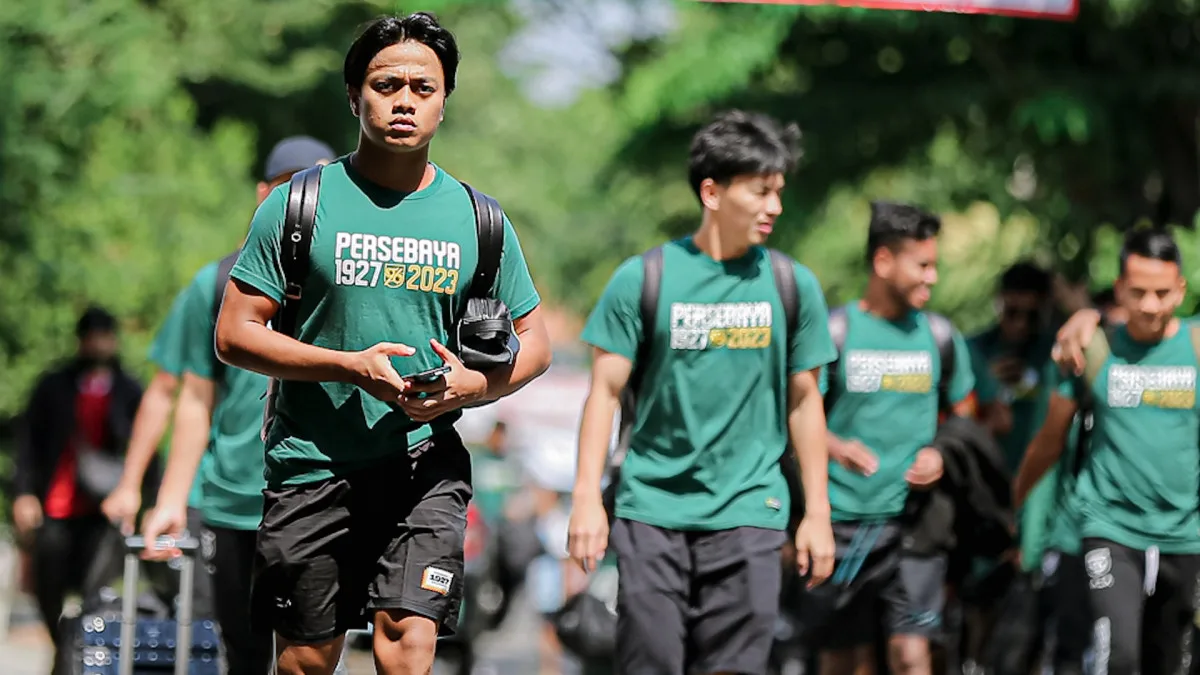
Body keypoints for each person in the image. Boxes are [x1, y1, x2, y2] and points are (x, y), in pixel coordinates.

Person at [214, 12, 552, 675]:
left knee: (408, 641)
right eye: (386, 84)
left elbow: (534, 339)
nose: (404, 101)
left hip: (425, 467)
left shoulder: (480, 220)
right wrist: (348, 366)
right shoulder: (297, 206)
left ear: (444, 101)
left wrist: (476, 386)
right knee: (307, 660)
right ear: (354, 96)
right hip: (311, 464)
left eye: (423, 88)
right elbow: (235, 333)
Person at [567, 109, 837, 675]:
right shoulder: (643, 279)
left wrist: (817, 512)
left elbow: (805, 403)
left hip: (752, 510)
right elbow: (604, 395)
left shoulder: (792, 285)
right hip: (651, 509)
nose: (775, 207)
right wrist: (587, 498)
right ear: (712, 193)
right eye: (760, 191)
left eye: (778, 192)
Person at [138, 136, 336, 675]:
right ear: (263, 194)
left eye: (316, 190)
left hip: (317, 495)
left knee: (309, 656)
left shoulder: (346, 282)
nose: (302, 203)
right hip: (232, 503)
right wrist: (170, 498)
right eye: (290, 187)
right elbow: (192, 397)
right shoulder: (219, 283)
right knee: (242, 655)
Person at [1015, 228, 1200, 675]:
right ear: (1119, 289)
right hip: (1111, 528)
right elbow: (1050, 439)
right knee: (1118, 657)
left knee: (1169, 663)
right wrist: (1013, 499)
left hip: (1184, 534)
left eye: (1162, 293)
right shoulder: (1092, 349)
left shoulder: (1195, 347)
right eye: (1138, 292)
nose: (1150, 305)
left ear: (1180, 289)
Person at [803, 202, 976, 675]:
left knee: (911, 654)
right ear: (883, 261)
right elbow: (799, 418)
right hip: (843, 523)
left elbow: (965, 420)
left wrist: (941, 454)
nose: (932, 277)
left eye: (934, 265)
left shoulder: (940, 336)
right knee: (844, 661)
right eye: (922, 265)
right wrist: (836, 448)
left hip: (915, 526)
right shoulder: (835, 333)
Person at [13, 307, 143, 660]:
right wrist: (23, 493)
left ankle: (73, 656)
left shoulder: (129, 390)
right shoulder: (52, 386)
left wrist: (143, 500)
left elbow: (144, 452)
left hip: (105, 512)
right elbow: (28, 443)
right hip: (56, 506)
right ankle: (63, 648)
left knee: (94, 590)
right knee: (47, 586)